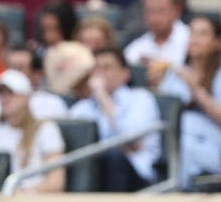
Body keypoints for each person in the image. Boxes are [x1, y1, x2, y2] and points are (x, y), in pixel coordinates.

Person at [157, 14, 221, 188]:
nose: (195, 39)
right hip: (175, 139)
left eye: (203, 34)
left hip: (213, 146)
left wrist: (195, 88)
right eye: (192, 33)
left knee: (182, 148)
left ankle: (177, 198)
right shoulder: (176, 73)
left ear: (217, 42)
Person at [68, 45, 163, 192]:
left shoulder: (140, 98)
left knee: (113, 156)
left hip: (137, 175)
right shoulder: (81, 108)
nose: (100, 74)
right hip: (93, 172)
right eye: (96, 69)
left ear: (125, 74)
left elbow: (132, 140)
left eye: (107, 68)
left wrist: (103, 98)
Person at [0, 69, 65, 194]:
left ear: (26, 96)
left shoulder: (45, 129)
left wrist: (23, 193)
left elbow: (56, 182)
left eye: (11, 93)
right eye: (1, 93)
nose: (5, 98)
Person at [0, 46, 67, 122]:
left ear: (37, 75)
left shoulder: (53, 104)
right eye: (11, 67)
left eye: (20, 68)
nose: (14, 74)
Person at [124, 0, 190, 85]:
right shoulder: (138, 44)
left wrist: (166, 67)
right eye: (150, 11)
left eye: (160, 11)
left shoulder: (191, 40)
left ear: (176, 11)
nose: (154, 18)